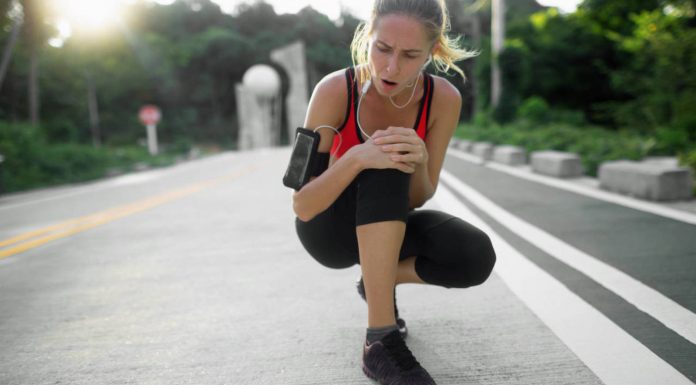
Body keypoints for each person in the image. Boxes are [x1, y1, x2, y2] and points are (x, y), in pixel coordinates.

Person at [291, 0, 496, 383]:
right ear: (368, 36)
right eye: (382, 48)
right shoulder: (335, 90)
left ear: (432, 53)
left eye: (409, 55)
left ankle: (376, 283)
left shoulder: (443, 99)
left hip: (387, 223)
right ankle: (380, 341)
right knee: (383, 157)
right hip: (328, 230)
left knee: (474, 255)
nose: (390, 66)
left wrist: (417, 160)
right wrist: (356, 158)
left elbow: (419, 196)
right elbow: (303, 205)